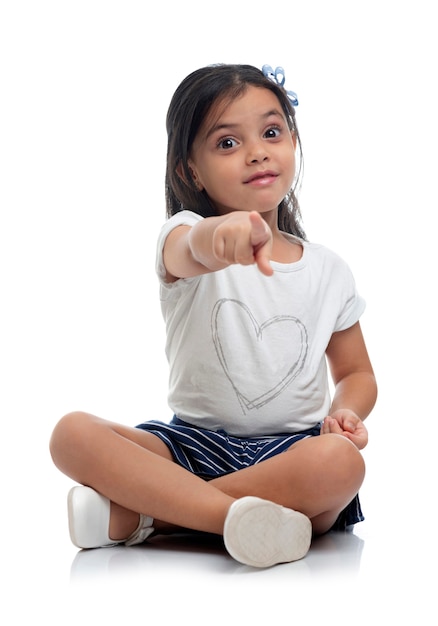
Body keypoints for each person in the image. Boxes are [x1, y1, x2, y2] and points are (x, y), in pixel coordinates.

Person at [49, 63, 377, 568]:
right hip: (188, 446)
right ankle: (239, 519)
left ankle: (154, 514)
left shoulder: (330, 270)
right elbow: (190, 250)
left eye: (272, 132)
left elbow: (356, 372)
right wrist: (217, 240)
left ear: (293, 141)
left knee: (338, 463)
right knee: (70, 433)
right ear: (190, 171)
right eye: (227, 143)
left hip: (290, 456)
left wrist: (346, 413)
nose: (257, 151)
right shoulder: (184, 235)